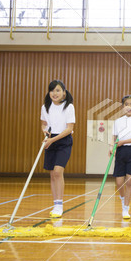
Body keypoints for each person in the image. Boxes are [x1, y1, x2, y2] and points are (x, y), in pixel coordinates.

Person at [40, 80, 75, 218]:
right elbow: (44, 124)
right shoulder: (45, 107)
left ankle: (59, 205)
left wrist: (52, 140)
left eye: (58, 90)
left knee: (58, 171)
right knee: (52, 174)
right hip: (50, 139)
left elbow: (69, 129)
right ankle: (55, 204)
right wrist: (45, 132)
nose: (54, 93)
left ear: (64, 93)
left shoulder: (68, 107)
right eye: (52, 90)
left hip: (63, 140)